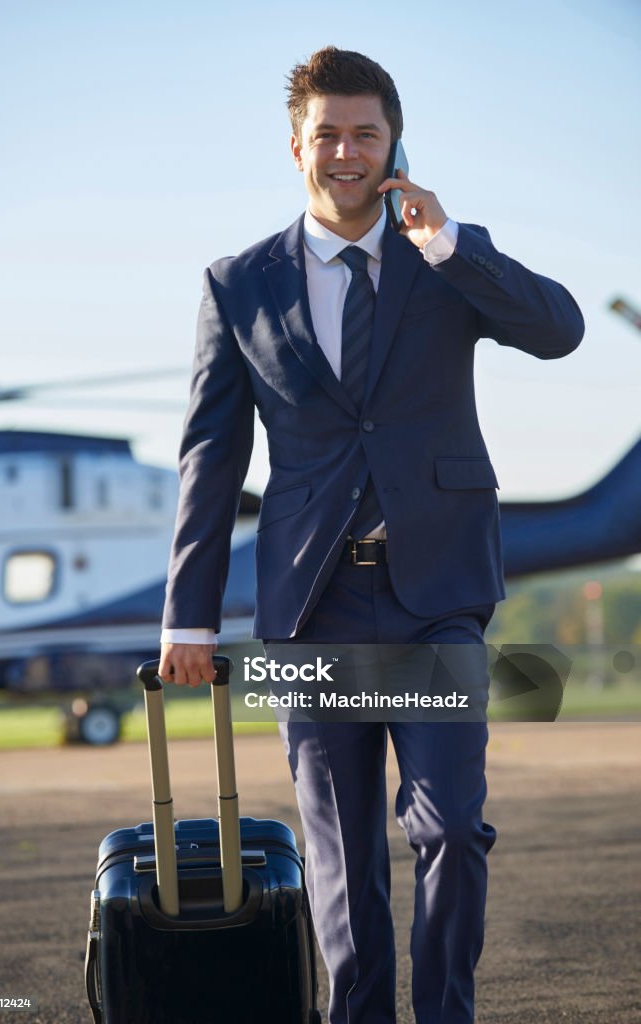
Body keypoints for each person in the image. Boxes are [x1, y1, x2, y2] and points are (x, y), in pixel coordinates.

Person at [158, 46, 584, 1024]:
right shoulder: (237, 283)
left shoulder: (444, 264)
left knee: (450, 830)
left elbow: (558, 328)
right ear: (294, 147)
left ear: (394, 144)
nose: (344, 150)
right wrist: (187, 614)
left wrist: (447, 242)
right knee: (340, 862)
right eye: (326, 135)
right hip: (308, 607)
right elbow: (210, 455)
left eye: (364, 133)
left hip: (434, 593)